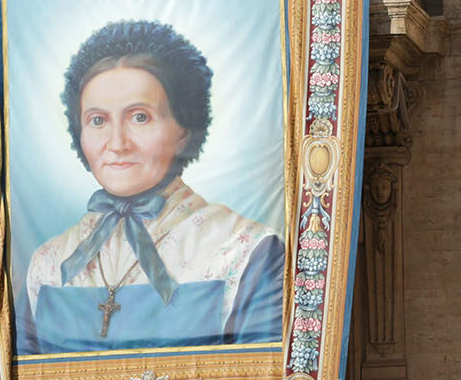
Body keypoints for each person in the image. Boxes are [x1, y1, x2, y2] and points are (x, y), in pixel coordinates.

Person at [18, 19, 283, 355]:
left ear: (184, 129)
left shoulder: (245, 253)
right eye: (97, 120)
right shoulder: (48, 265)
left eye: (139, 117)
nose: (117, 143)